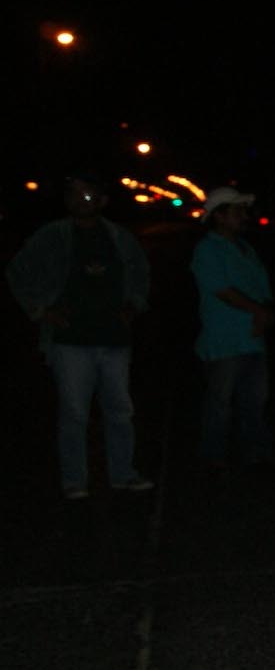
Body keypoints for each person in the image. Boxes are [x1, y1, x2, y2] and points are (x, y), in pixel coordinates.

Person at [7, 173, 152, 497]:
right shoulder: (53, 235)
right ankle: (75, 480)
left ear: (102, 201)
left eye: (88, 196)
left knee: (119, 409)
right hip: (70, 339)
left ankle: (123, 473)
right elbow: (18, 271)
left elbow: (141, 273)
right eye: (73, 195)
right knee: (74, 412)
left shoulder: (118, 237)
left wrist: (133, 306)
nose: (80, 201)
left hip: (114, 338)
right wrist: (41, 309)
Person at [191, 187, 275, 470]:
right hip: (224, 340)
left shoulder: (245, 248)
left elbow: (260, 288)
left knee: (254, 400)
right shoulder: (207, 249)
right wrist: (257, 310)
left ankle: (254, 452)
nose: (243, 216)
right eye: (236, 211)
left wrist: (264, 311)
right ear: (219, 216)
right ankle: (212, 457)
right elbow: (222, 290)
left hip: (252, 339)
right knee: (220, 402)